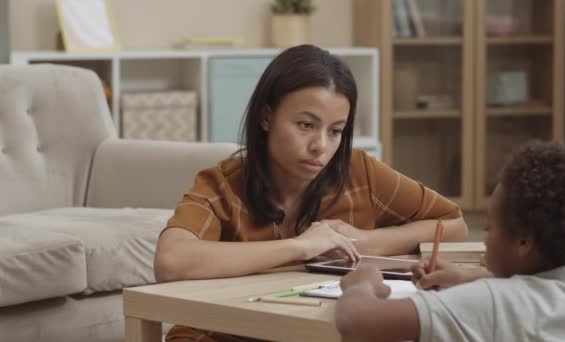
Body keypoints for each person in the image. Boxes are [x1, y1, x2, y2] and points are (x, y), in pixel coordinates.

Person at [154, 44, 468, 341]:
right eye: (305, 125)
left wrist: (369, 241)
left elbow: (453, 224)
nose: (320, 146)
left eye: (335, 131)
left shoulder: (360, 173)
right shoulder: (222, 184)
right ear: (266, 117)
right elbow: (171, 261)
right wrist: (301, 246)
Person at [336, 141, 565, 342]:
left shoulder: (491, 303)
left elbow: (357, 323)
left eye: (489, 228)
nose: (485, 239)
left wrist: (361, 284)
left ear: (524, 242)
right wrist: (465, 276)